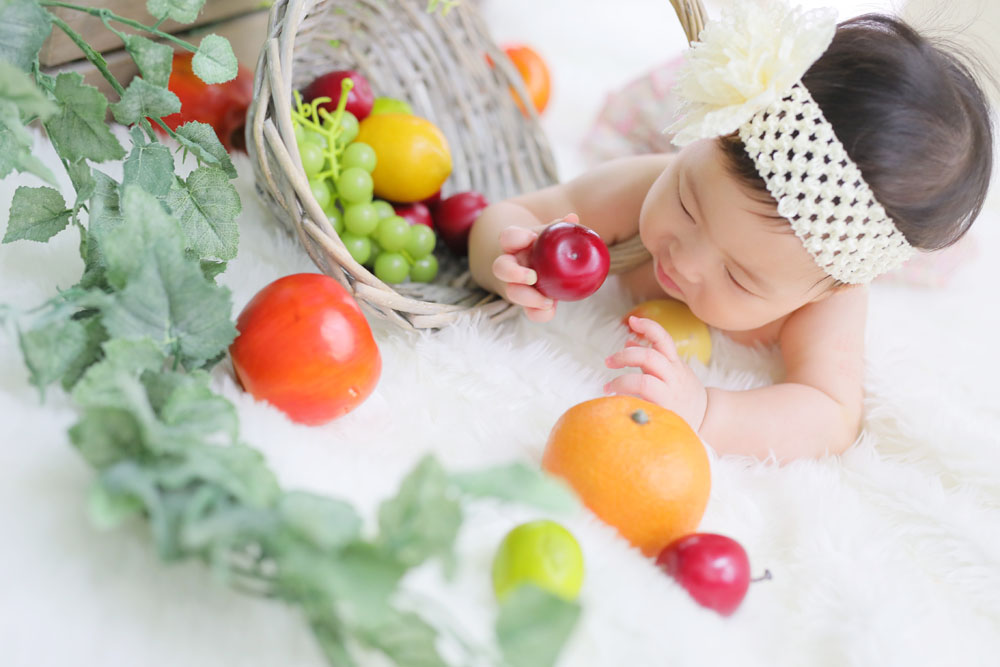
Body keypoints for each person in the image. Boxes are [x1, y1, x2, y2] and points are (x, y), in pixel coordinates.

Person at [467, 2, 994, 461]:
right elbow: (519, 211)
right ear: (704, 141)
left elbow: (830, 415)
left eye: (739, 277)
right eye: (686, 205)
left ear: (828, 286)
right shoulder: (651, 180)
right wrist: (510, 256)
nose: (685, 260)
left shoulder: (826, 298)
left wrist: (707, 411)